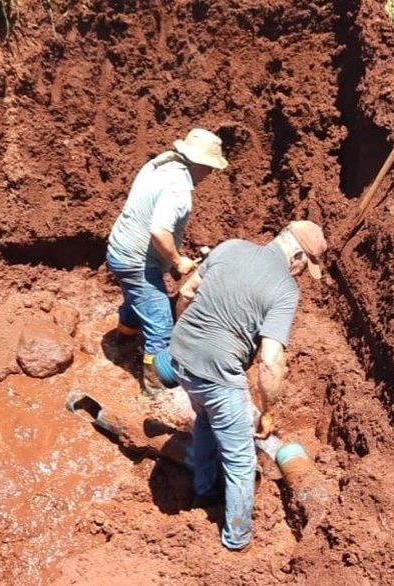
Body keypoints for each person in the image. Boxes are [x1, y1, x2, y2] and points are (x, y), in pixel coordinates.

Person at [168, 220, 327, 552]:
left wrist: (185, 335)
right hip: (217, 373)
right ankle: (237, 540)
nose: (301, 273)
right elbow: (270, 360)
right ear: (297, 255)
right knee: (241, 460)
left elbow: (185, 292)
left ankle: (205, 487)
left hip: (180, 357)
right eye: (305, 265)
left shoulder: (231, 246)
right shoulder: (285, 289)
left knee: (205, 419)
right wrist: (267, 410)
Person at [106, 128, 228, 397]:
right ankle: (156, 390)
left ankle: (122, 343)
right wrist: (177, 260)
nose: (210, 175)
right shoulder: (178, 189)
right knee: (161, 328)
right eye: (209, 168)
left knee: (135, 301)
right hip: (136, 262)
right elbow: (159, 230)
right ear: (199, 164)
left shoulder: (161, 162)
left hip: (119, 250)